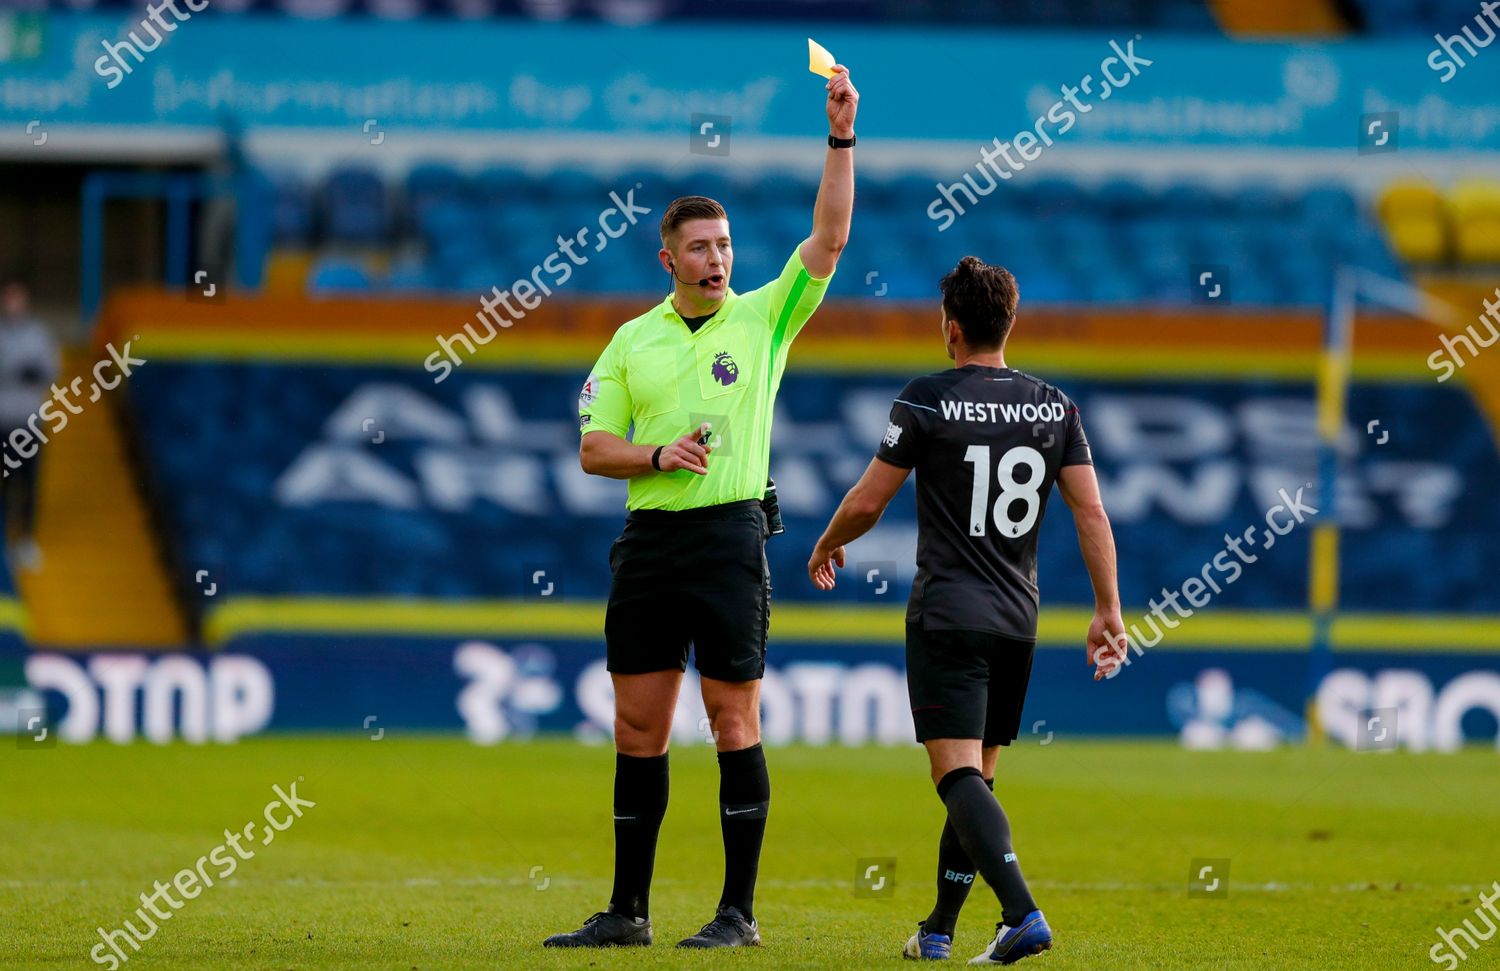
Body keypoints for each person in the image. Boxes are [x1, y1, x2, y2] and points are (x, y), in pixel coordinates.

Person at [545, 64, 858, 950]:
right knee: (637, 725)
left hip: (727, 538)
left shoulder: (765, 319)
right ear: (668, 258)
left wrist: (839, 136)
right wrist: (657, 454)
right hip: (649, 543)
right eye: (701, 247)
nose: (718, 258)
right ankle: (628, 912)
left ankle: (737, 912)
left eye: (724, 245)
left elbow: (829, 240)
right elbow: (592, 447)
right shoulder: (629, 340)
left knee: (733, 720)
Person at [807, 256, 1126, 964]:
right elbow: (1091, 510)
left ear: (950, 330)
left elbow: (867, 501)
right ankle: (940, 930)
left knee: (952, 775)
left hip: (949, 613)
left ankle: (1021, 912)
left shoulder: (927, 399)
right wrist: (1108, 607)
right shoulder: (1055, 407)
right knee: (974, 779)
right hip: (1018, 617)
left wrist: (827, 542)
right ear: (1010, 323)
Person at [0, 280, 59, 570]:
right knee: (5, 483)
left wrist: (27, 371)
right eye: (8, 298)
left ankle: (25, 540)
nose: (13, 304)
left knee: (29, 483)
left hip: (29, 421)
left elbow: (51, 369)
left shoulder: (38, 334)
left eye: (18, 298)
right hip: (2, 420)